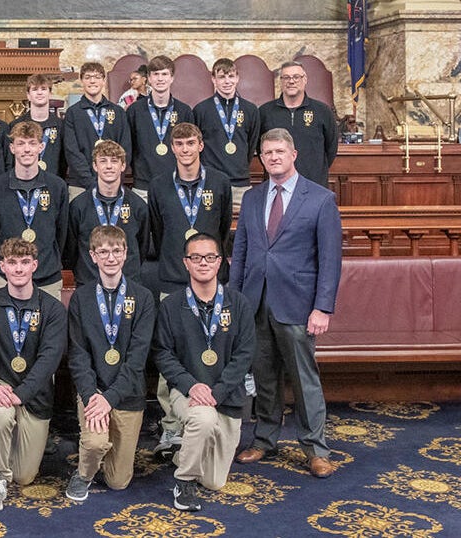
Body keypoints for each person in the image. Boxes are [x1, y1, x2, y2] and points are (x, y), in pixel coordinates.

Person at [230, 128, 342, 478]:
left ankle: (316, 448)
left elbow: (330, 259)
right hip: (255, 301)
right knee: (264, 377)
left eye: (280, 151)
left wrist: (322, 307)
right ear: (261, 159)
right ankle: (264, 439)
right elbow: (242, 251)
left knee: (303, 378)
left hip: (297, 305)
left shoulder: (320, 199)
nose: (274, 157)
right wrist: (235, 302)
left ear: (293, 154)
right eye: (267, 153)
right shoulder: (252, 198)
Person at [153, 232, 255, 511]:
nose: (203, 263)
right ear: (186, 263)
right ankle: (183, 481)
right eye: (195, 257)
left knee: (213, 482)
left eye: (210, 257)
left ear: (220, 262)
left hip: (226, 395)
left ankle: (183, 451)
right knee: (204, 419)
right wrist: (191, 385)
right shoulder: (171, 305)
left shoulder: (239, 304)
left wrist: (217, 392)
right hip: (187, 393)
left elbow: (244, 355)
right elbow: (162, 353)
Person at [148, 122, 232, 458]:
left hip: (210, 282)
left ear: (201, 145)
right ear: (172, 148)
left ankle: (208, 419)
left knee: (208, 350)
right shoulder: (158, 186)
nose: (185, 149)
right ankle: (171, 426)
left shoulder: (220, 183)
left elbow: (221, 229)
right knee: (170, 354)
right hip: (172, 280)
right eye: (179, 144)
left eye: (190, 143)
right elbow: (158, 229)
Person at [0, 238, 66, 511]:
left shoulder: (52, 309)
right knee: (0, 413)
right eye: (12, 263)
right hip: (0, 386)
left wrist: (20, 395)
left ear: (35, 265)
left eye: (25, 262)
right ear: (2, 267)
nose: (19, 269)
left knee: (24, 476)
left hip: (34, 396)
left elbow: (49, 361)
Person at [65, 225, 155, 501]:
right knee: (95, 443)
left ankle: (107, 453)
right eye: (103, 252)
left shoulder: (143, 298)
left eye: (116, 251)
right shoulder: (81, 298)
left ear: (126, 253)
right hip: (93, 394)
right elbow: (78, 356)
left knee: (118, 482)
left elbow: (137, 359)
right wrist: (93, 396)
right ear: (92, 256)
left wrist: (111, 398)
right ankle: (83, 473)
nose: (111, 258)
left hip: (127, 395)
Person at [0, 121, 68, 300]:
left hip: (47, 278)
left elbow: (62, 233)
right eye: (21, 143)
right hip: (5, 279)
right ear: (12, 148)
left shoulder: (57, 186)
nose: (27, 149)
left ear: (41, 146)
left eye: (32, 143)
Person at [66, 140, 148, 287]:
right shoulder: (78, 206)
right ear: (95, 166)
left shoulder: (138, 206)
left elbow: (143, 245)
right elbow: (71, 250)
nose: (109, 166)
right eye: (103, 161)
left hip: (128, 284)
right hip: (88, 283)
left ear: (123, 166)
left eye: (114, 161)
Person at [193, 58, 260, 213]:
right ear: (213, 79)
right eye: (222, 77)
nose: (227, 81)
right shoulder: (201, 110)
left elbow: (251, 144)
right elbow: (196, 146)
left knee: (242, 229)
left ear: (237, 78)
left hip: (240, 182)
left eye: (231, 76)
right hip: (210, 181)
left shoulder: (250, 110)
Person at [259, 61, 338, 189]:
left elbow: (331, 148)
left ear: (305, 79)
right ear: (281, 81)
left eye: (296, 77)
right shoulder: (265, 112)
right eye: (286, 77)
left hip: (314, 184)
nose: (291, 81)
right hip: (277, 185)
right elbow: (259, 147)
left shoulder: (322, 111)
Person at [127, 55, 196, 201]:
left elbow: (191, 148)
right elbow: (129, 146)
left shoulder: (184, 111)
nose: (160, 79)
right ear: (149, 78)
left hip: (176, 184)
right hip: (142, 186)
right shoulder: (134, 111)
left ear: (172, 78)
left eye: (164, 74)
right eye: (155, 74)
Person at [63, 62, 132, 201]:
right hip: (80, 185)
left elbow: (125, 147)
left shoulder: (117, 112)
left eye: (97, 77)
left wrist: (113, 178)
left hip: (112, 184)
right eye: (88, 77)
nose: (92, 81)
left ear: (104, 81)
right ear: (82, 80)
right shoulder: (73, 113)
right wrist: (90, 182)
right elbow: (72, 151)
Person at [10, 74, 65, 179]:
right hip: (23, 182)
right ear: (28, 95)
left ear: (50, 93)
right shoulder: (16, 125)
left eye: (43, 89)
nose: (39, 93)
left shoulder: (61, 126)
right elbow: (11, 160)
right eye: (35, 89)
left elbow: (64, 161)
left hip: (54, 183)